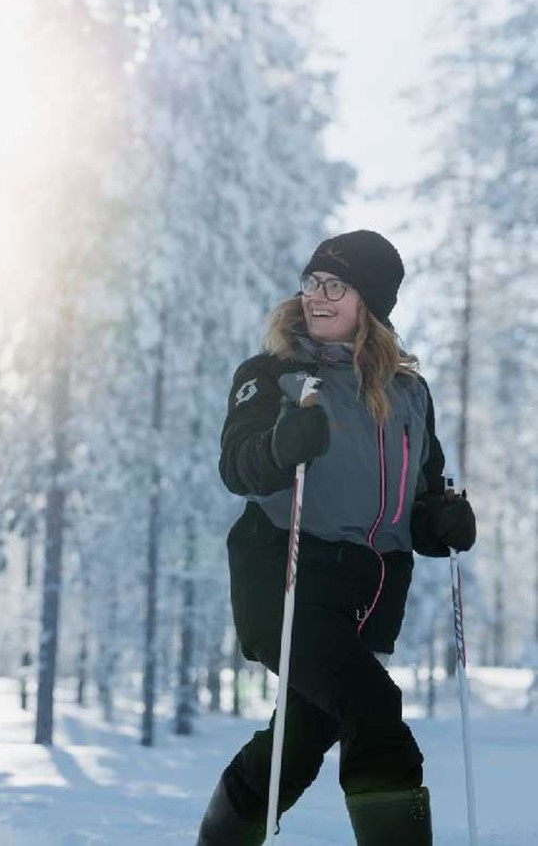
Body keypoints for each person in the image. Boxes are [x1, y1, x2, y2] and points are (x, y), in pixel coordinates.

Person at [196, 230, 476, 845]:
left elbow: (422, 501)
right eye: (312, 281)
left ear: (369, 302)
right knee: (374, 712)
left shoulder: (408, 394)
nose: (316, 297)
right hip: (288, 581)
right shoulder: (272, 375)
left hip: (370, 595)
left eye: (335, 286)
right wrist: (278, 445)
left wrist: (446, 523)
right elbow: (237, 464)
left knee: (296, 744)